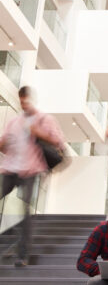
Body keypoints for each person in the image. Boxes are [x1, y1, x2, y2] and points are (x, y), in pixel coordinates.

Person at [0, 86, 64, 267]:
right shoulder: (13, 122)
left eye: (26, 101)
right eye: (21, 102)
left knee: (25, 212)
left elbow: (58, 141)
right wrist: (3, 143)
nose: (23, 105)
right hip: (9, 169)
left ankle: (23, 255)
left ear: (32, 100)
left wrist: (38, 132)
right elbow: (3, 146)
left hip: (31, 170)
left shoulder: (44, 119)